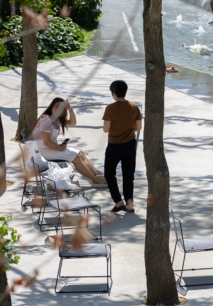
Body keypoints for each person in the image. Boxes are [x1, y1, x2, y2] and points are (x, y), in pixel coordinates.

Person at [34, 97, 105, 184]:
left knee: (80, 153)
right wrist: (61, 148)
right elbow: (47, 142)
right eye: (56, 107)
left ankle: (98, 174)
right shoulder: (46, 120)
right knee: (75, 157)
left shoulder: (57, 119)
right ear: (51, 107)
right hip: (43, 152)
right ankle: (95, 180)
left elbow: (73, 122)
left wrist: (70, 109)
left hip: (52, 148)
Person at [102, 80, 143, 214]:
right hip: (130, 144)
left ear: (113, 93)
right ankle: (130, 205)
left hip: (114, 145)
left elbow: (106, 129)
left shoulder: (110, 108)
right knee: (128, 175)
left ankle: (118, 202)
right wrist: (128, 130)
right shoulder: (133, 106)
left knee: (109, 174)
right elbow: (138, 127)